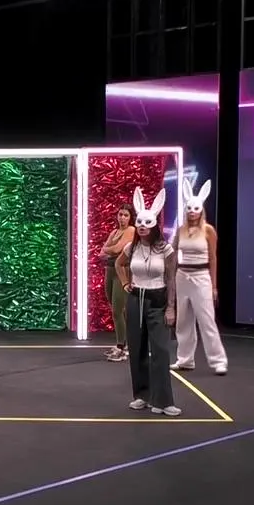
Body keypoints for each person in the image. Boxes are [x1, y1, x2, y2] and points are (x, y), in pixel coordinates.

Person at [117, 187, 180, 416]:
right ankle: (142, 395)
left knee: (161, 351)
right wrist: (125, 283)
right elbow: (119, 264)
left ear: (154, 225)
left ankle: (163, 401)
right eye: (140, 223)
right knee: (137, 349)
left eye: (147, 223)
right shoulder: (131, 247)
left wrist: (171, 307)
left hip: (157, 301)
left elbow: (171, 278)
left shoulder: (165, 249)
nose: (142, 226)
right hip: (136, 300)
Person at [171, 178, 228, 375]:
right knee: (183, 321)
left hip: (202, 276)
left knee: (207, 320)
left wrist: (214, 286)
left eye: (195, 208)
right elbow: (173, 252)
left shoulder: (208, 230)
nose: (192, 212)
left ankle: (218, 360)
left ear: (201, 209)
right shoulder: (181, 230)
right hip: (182, 276)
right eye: (189, 208)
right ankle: (185, 359)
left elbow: (213, 258)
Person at [99, 204, 135, 362]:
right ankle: (124, 344)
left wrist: (109, 249)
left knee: (117, 310)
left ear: (130, 217)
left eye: (126, 215)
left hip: (122, 271)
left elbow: (115, 250)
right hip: (109, 270)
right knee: (115, 307)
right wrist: (109, 249)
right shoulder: (114, 232)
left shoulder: (131, 230)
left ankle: (122, 347)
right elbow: (102, 252)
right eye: (120, 214)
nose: (122, 218)